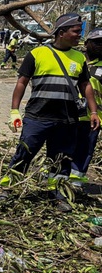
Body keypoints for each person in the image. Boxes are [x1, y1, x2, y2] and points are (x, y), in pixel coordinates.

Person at [0, 14, 100, 212]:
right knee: (24, 154)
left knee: (61, 159)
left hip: (66, 120)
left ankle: (56, 193)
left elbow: (85, 85)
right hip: (37, 117)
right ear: (61, 32)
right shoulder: (37, 54)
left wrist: (94, 111)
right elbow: (22, 82)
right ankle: (7, 188)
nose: (78, 36)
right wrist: (14, 111)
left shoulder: (79, 58)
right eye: (75, 32)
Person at [70, 28, 102, 188]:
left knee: (84, 152)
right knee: (63, 150)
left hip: (92, 120)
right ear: (87, 43)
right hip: (69, 116)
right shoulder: (75, 61)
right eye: (97, 42)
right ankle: (57, 182)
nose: (100, 46)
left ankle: (74, 185)